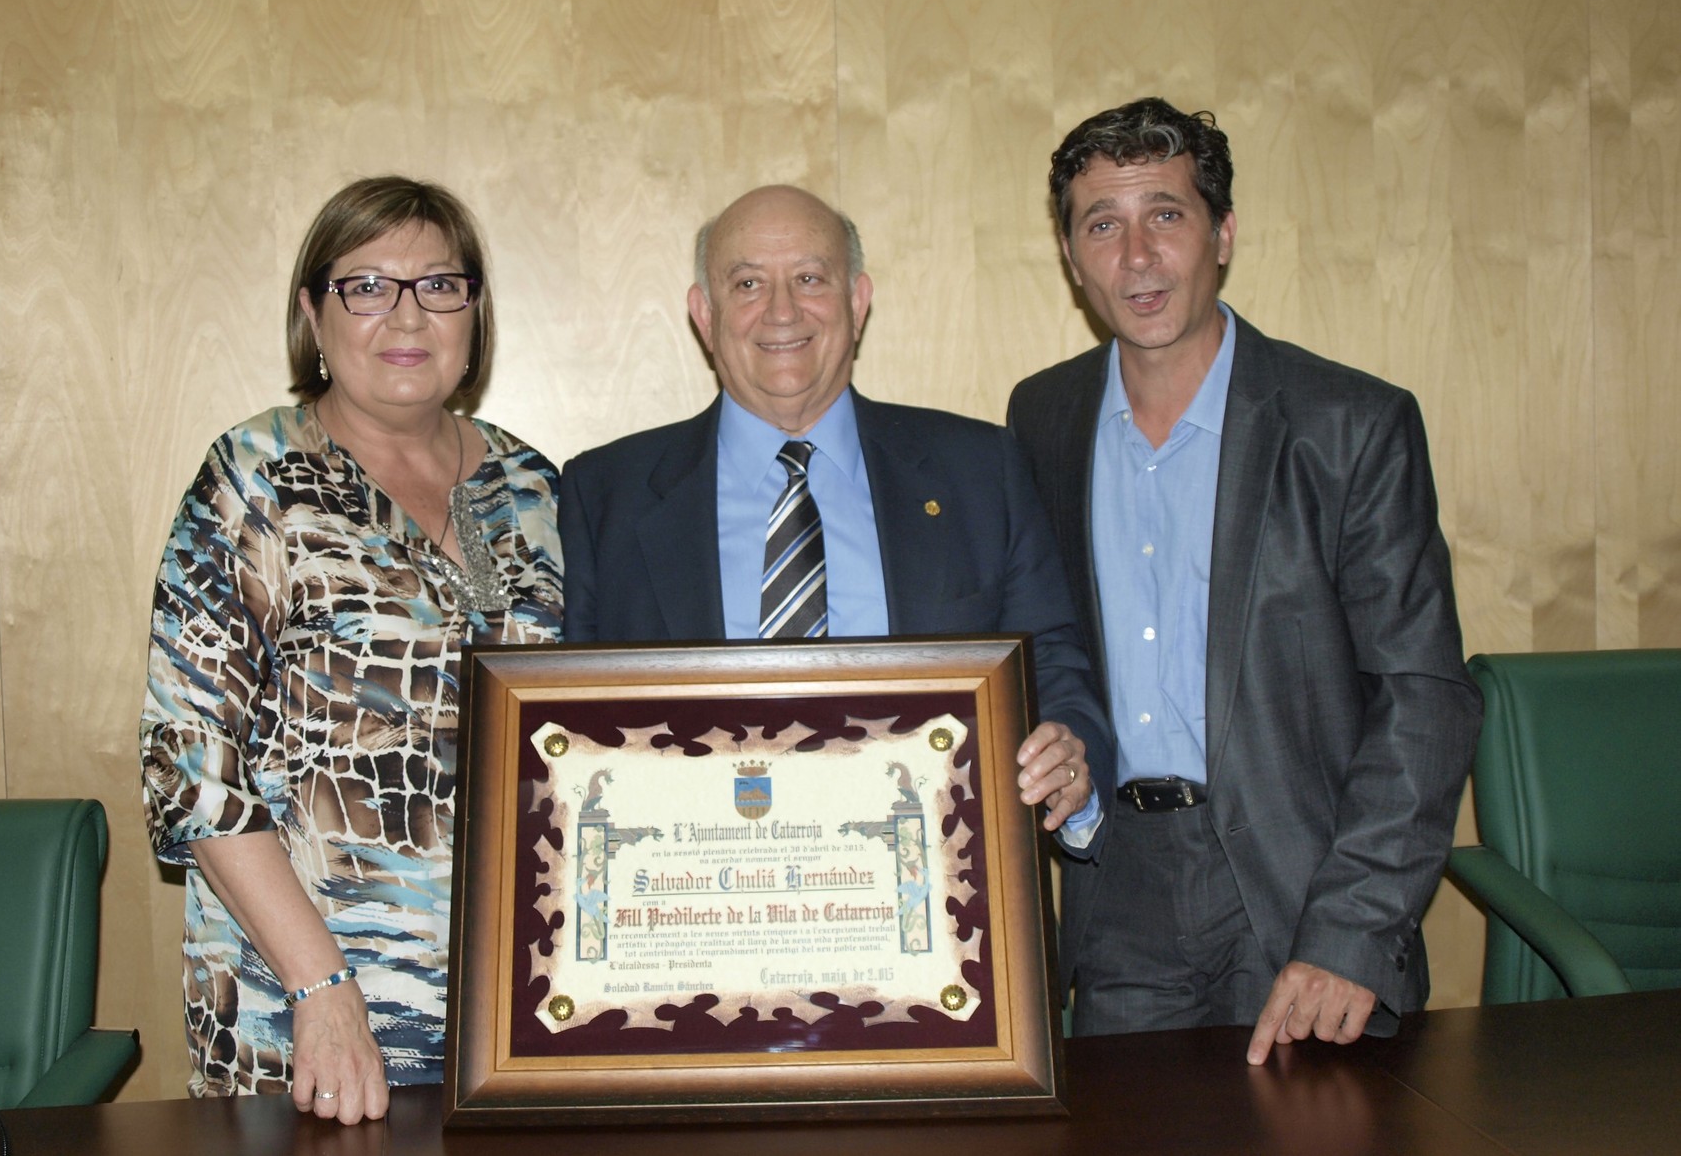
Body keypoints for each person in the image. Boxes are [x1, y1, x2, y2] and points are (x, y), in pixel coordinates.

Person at [1007, 97, 1481, 1063]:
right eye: (1103, 224)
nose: (1137, 257)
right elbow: (1043, 647)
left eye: (1166, 216)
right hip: (1117, 890)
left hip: (1304, 889)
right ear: (1071, 255)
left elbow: (1423, 698)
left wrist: (1352, 931)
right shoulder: (1041, 418)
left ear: (1224, 233)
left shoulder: (1350, 424)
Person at [140, 176, 562, 1123]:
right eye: (367, 286)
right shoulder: (253, 483)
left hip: (518, 1017)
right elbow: (190, 767)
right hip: (305, 1016)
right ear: (312, 314)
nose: (405, 315)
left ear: (473, 310)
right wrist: (321, 989)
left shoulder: (537, 488)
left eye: (438, 285)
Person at [559, 183, 1113, 846]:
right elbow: (569, 730)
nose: (782, 311)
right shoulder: (605, 495)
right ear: (704, 315)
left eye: (810, 278)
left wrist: (1070, 764)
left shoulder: (978, 472)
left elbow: (1049, 667)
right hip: (688, 912)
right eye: (747, 284)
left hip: (931, 907)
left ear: (857, 300)